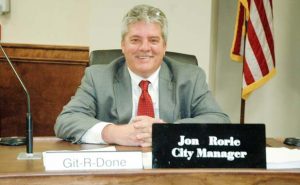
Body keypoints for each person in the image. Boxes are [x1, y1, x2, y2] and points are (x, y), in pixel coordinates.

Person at [54, 4, 230, 147]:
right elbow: (66, 121)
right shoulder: (98, 77)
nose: (145, 48)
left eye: (153, 40)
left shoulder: (191, 77)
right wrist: (113, 133)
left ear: (164, 46)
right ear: (123, 45)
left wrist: (166, 131)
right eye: (135, 40)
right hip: (117, 172)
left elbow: (220, 121)